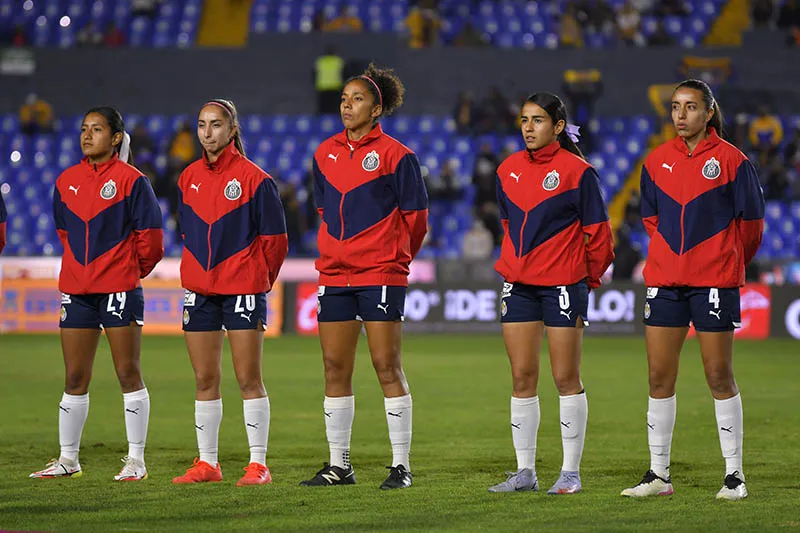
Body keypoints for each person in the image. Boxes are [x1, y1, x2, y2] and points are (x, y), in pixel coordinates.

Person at [621, 79, 765, 501]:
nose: (681, 115)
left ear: (708, 112)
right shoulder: (655, 162)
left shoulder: (733, 162)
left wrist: (723, 260)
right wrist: (671, 256)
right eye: (675, 107)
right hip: (665, 282)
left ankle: (734, 476)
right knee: (658, 377)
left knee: (719, 376)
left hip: (714, 282)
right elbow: (650, 219)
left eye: (690, 107)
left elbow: (752, 228)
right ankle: (658, 476)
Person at [300, 64, 428, 490]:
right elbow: (322, 210)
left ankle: (401, 466)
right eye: (343, 99)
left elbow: (416, 220)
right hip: (335, 275)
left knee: (385, 365)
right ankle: (340, 465)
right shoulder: (324, 153)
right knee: (334, 367)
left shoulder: (397, 156)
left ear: (376, 109)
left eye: (356, 99)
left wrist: (392, 258)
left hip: (381, 274)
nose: (347, 106)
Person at [488, 92, 614, 495]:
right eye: (524, 119)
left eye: (538, 120)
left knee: (565, 377)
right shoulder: (506, 169)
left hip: (563, 284)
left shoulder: (579, 172)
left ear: (558, 127)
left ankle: (570, 473)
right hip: (519, 284)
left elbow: (600, 238)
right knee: (522, 376)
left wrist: (584, 282)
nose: (528, 127)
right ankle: (525, 472)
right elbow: (509, 225)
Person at [30, 107, 164, 481]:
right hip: (77, 291)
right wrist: (81, 270)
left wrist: (124, 272)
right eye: (84, 129)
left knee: (128, 372)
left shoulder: (133, 182)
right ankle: (68, 460)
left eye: (97, 129)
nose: (87, 136)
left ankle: (136, 460)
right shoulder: (66, 181)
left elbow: (151, 242)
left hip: (119, 289)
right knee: (74, 376)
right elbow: (64, 232)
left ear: (116, 138)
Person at [171, 99, 288, 486]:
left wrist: (255, 280)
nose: (207, 132)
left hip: (242, 289)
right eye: (202, 124)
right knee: (205, 379)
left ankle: (259, 465)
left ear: (232, 129)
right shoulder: (187, 177)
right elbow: (186, 233)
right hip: (200, 291)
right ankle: (208, 464)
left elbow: (276, 242)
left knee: (247, 378)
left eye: (216, 125)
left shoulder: (256, 179)